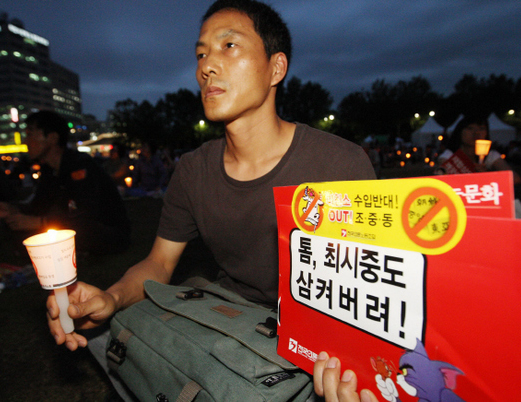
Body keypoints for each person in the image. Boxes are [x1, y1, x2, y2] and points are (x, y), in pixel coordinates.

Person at [46, 0, 377, 400]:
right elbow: (160, 262)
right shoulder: (193, 170)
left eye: (229, 46)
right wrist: (111, 297)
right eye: (201, 53)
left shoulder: (338, 162)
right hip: (226, 323)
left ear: (276, 68)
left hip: (310, 341)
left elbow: (366, 295)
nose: (206, 66)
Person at [0, 110, 131, 255]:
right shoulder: (49, 170)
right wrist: (13, 210)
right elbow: (38, 206)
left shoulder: (80, 165)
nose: (26, 141)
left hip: (105, 231)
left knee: (80, 231)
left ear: (52, 138)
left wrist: (39, 222)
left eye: (30, 134)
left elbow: (86, 213)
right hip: (73, 226)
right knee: (21, 234)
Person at [437, 115, 521, 183]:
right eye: (470, 128)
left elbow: (515, 178)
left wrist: (487, 176)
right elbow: (440, 178)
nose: (476, 132)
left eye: (481, 128)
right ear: (459, 132)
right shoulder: (450, 155)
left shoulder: (490, 155)